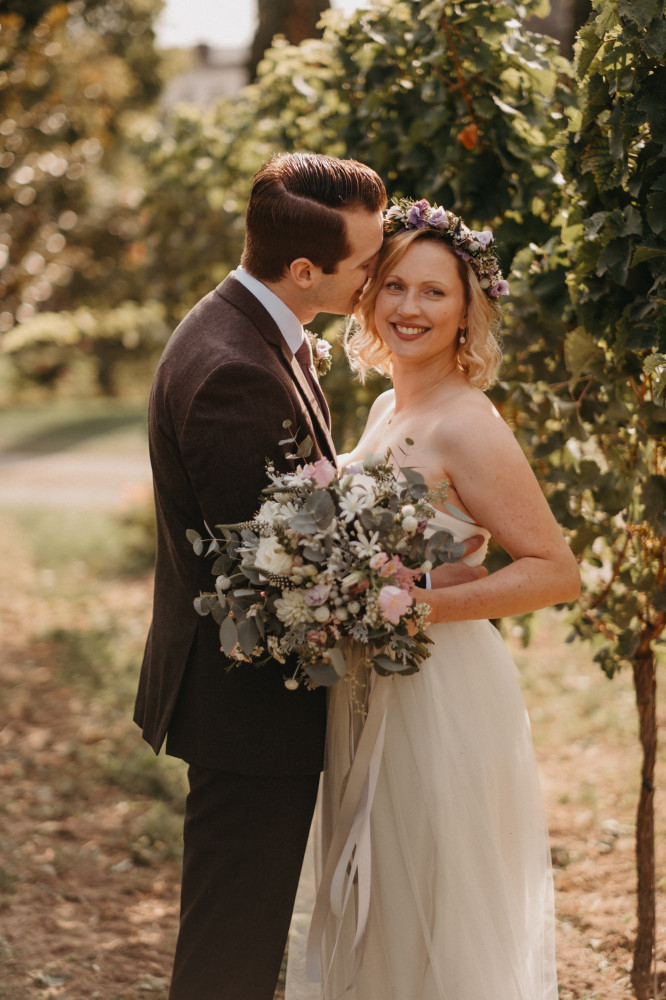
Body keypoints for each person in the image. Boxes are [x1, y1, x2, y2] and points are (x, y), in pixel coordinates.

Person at [299, 199, 581, 1000]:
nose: (409, 308)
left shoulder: (468, 423)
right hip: (368, 683)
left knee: (431, 896)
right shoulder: (391, 404)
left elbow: (556, 569)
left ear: (466, 311)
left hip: (441, 693)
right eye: (394, 286)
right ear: (368, 296)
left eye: (433, 292)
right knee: (374, 899)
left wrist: (416, 606)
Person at [133, 152, 389, 1000]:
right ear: (305, 270)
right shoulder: (234, 370)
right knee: (230, 950)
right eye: (366, 262)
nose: (377, 274)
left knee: (244, 936)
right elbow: (279, 569)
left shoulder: (250, 327)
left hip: (252, 697)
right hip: (246, 703)